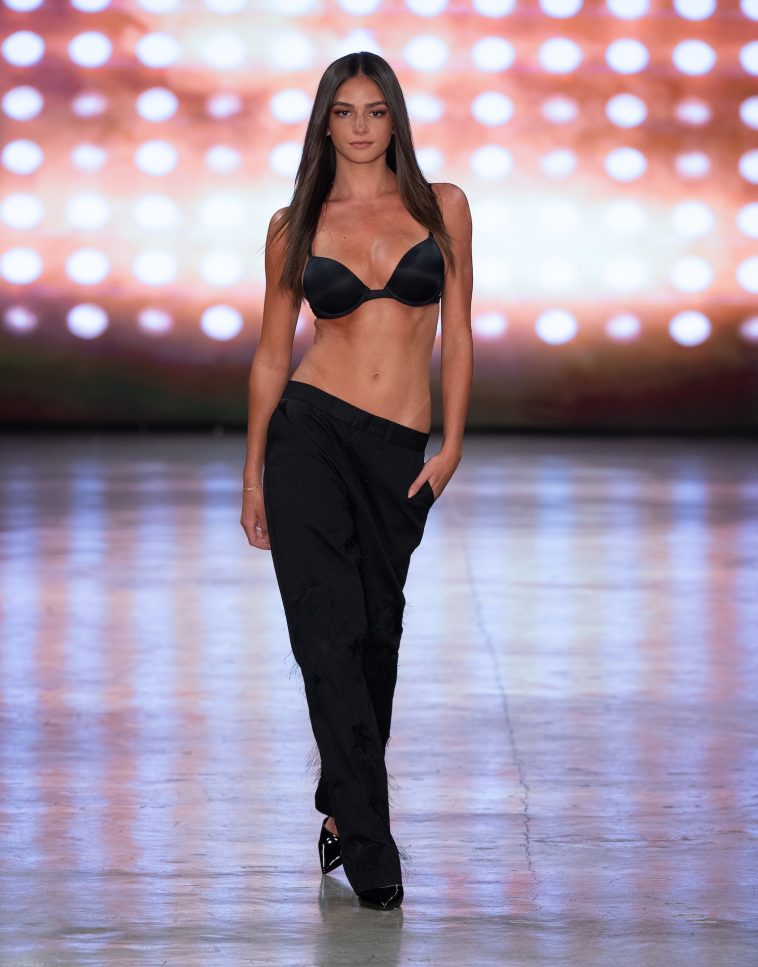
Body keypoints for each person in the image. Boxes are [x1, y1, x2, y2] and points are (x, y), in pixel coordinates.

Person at [240, 50, 473, 911]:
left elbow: (460, 331)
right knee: (326, 635)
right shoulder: (293, 224)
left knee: (377, 636)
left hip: (397, 451)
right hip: (309, 436)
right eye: (345, 112)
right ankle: (371, 849)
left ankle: (342, 799)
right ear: (325, 124)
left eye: (376, 111)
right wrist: (254, 470)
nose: (362, 126)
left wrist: (452, 443)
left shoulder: (442, 207)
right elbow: (272, 354)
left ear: (396, 120)